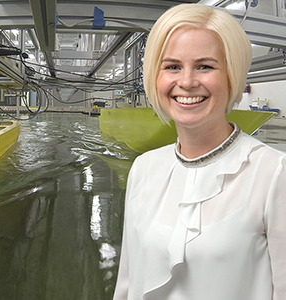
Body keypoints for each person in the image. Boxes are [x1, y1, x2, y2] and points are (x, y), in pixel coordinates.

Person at [113, 3, 286, 300]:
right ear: (156, 76)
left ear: (232, 74)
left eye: (205, 66)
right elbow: (128, 282)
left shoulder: (273, 174)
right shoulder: (144, 168)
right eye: (172, 66)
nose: (187, 82)